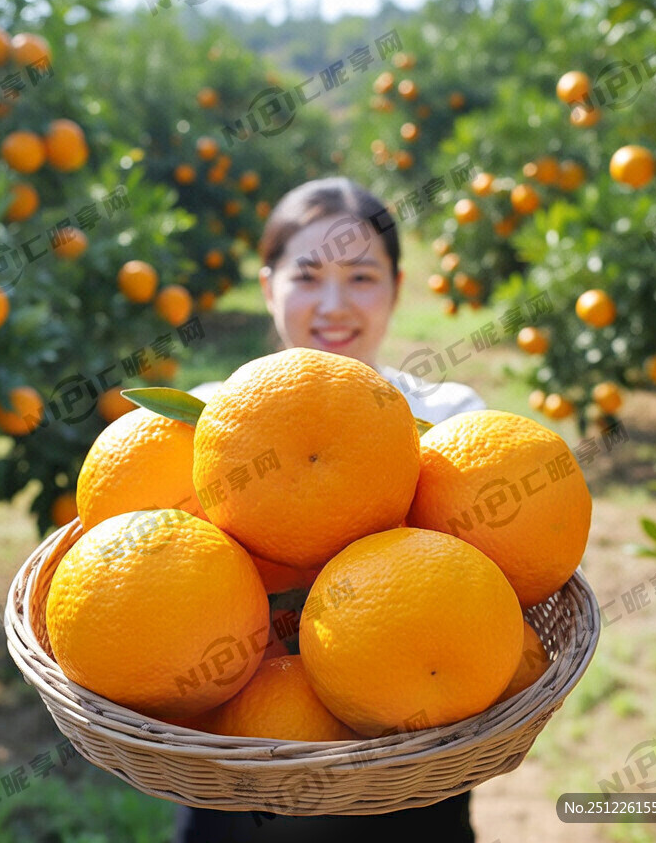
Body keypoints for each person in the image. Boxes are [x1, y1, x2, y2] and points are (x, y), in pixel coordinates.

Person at [174, 177, 485, 843]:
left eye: (361, 277)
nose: (333, 305)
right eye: (308, 275)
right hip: (240, 770)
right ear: (268, 287)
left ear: (397, 289)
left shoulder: (451, 423)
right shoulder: (204, 424)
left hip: (410, 775)